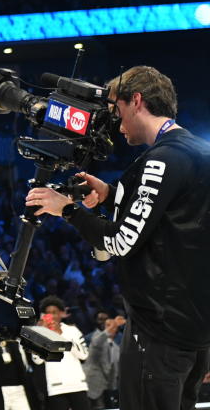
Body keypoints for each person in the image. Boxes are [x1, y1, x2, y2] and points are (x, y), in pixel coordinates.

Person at [25, 65, 210, 410]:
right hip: (195, 330)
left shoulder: (161, 160)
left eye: (115, 108)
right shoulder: (198, 151)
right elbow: (175, 219)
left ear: (136, 100)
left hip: (159, 331)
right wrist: (112, 195)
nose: (112, 120)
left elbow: (120, 241)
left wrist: (67, 209)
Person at [27, 298, 89, 410]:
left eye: (54, 312)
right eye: (48, 313)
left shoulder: (72, 330)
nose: (51, 315)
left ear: (61, 313)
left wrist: (60, 335)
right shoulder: (41, 333)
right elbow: (37, 360)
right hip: (56, 387)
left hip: (77, 385)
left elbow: (84, 355)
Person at [82, 316, 122, 410]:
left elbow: (115, 368)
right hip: (90, 385)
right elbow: (96, 343)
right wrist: (109, 330)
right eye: (108, 325)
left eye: (113, 326)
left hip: (105, 387)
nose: (111, 328)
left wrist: (113, 388)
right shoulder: (97, 338)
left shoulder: (116, 348)